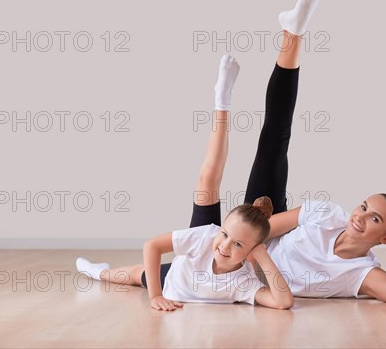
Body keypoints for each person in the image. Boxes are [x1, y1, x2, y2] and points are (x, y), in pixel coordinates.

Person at [191, 0, 386, 307]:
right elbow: (257, 233)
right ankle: (294, 33)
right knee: (275, 139)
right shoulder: (325, 214)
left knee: (166, 268)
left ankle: (103, 272)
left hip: (250, 279)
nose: (359, 217)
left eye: (374, 219)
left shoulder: (361, 272)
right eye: (363, 206)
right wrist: (232, 252)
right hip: (244, 247)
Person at [75, 55, 294, 311]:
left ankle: (99, 272)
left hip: (177, 281)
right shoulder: (206, 238)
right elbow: (152, 245)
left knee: (135, 274)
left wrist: (263, 256)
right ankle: (222, 101)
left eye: (238, 244)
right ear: (219, 229)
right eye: (225, 234)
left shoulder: (242, 282)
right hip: (183, 270)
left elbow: (284, 303)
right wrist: (156, 296)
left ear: (251, 252)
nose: (224, 246)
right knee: (207, 178)